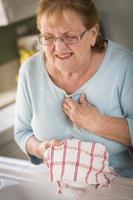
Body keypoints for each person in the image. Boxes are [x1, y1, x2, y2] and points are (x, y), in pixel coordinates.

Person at [14, 0, 133, 178]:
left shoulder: (123, 65)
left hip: (119, 186)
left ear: (93, 33)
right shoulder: (29, 71)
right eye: (48, 37)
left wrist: (96, 123)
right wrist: (40, 148)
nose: (59, 47)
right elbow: (22, 133)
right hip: (60, 186)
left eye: (70, 36)